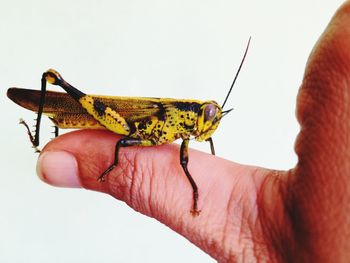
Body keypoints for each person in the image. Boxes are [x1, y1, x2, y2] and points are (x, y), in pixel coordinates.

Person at [36, 1, 350, 262]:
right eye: (209, 115)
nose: (210, 124)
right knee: (60, 84)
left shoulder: (192, 129)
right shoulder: (175, 116)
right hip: (119, 118)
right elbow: (128, 143)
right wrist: (190, 191)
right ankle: (39, 135)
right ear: (193, 113)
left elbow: (201, 145)